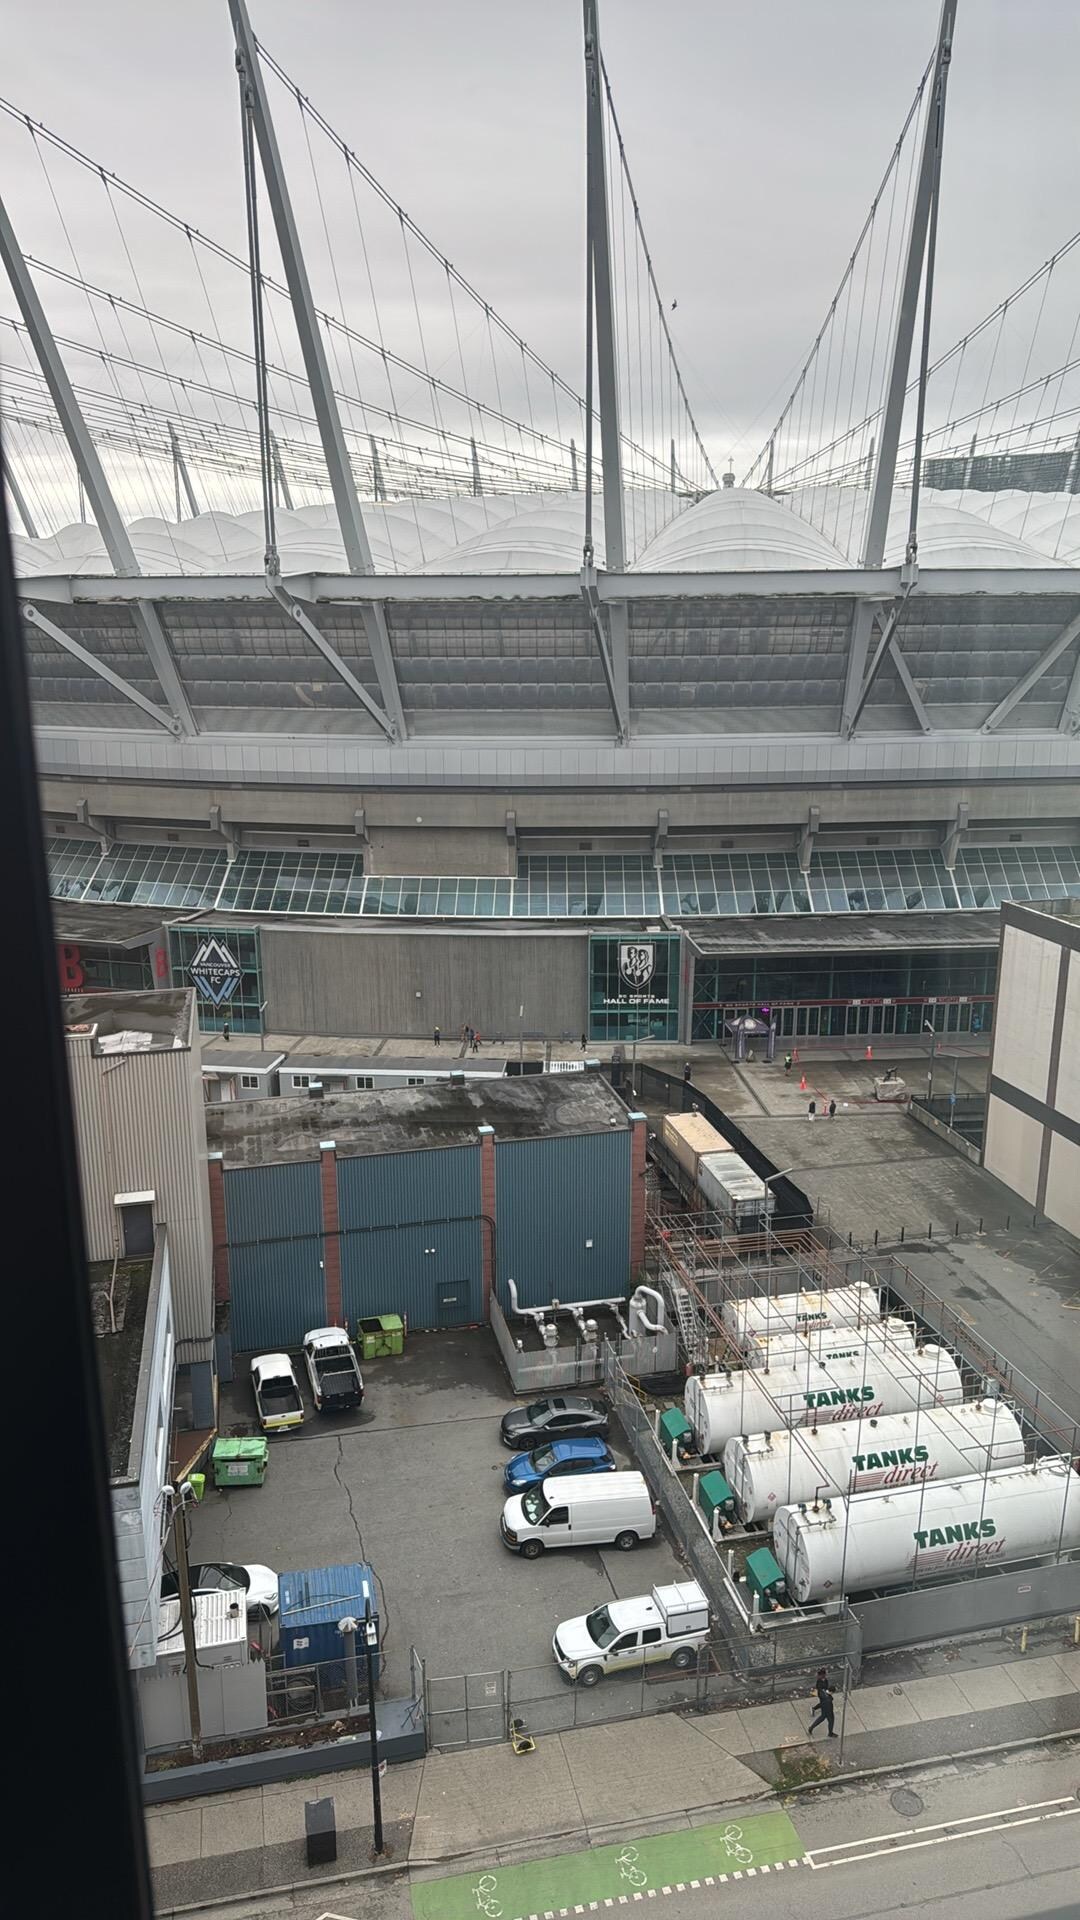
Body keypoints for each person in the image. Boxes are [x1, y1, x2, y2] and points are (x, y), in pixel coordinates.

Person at [808, 1669, 836, 1737]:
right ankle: (830, 1733)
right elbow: (829, 1704)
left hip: (824, 1706)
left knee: (821, 1718)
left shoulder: (825, 1693)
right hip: (828, 1710)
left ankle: (811, 1728)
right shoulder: (828, 1698)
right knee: (830, 1721)